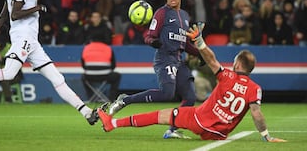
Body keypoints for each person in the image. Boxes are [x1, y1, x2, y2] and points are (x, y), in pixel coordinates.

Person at [98, 23, 287, 143]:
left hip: (199, 120)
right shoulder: (255, 89)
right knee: (181, 110)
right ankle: (173, 131)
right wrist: (266, 136)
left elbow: (211, 59)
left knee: (159, 115)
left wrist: (199, 41)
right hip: (219, 134)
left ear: (237, 63)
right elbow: (256, 113)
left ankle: (112, 123)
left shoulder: (227, 75)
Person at [108, 0, 202, 139]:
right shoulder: (161, 13)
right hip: (165, 58)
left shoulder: (185, 16)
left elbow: (184, 42)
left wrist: (199, 53)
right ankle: (125, 100)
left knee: (190, 97)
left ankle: (172, 130)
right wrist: (154, 42)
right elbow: (149, 36)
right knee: (167, 94)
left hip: (180, 60)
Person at [81, 37, 121, 101]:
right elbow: (113, 65)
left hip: (89, 76)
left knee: (83, 77)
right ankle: (111, 98)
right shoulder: (107, 48)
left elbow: (83, 66)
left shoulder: (86, 48)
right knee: (117, 76)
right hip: (106, 76)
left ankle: (90, 97)